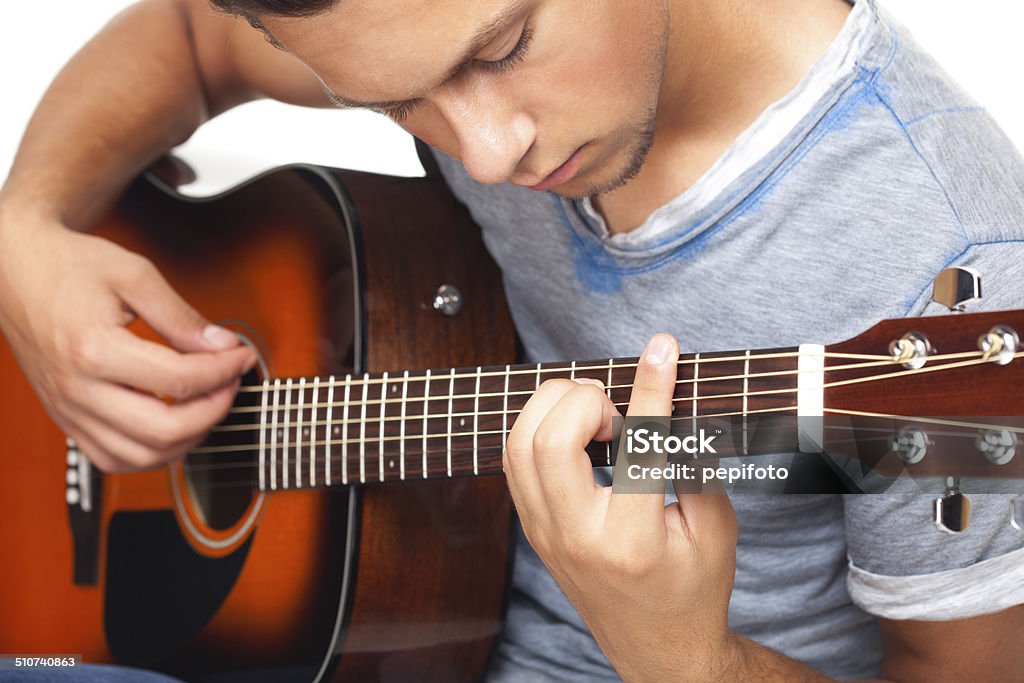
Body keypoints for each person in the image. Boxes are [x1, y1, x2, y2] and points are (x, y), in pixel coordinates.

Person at [1, 0, 1022, 680]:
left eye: (499, 49)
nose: (487, 154)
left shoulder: (954, 269)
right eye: (397, 103)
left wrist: (686, 658)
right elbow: (189, 35)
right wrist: (25, 235)